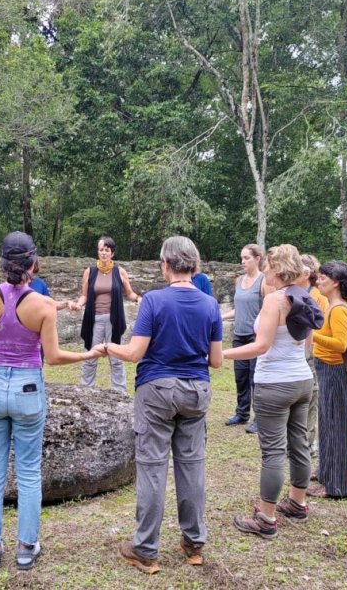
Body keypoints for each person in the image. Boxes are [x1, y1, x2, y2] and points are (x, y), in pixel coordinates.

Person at [0, 232, 104, 572]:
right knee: (28, 471)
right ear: (32, 262)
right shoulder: (42, 305)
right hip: (27, 387)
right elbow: (52, 357)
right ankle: (26, 546)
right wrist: (88, 353)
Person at [106, 236, 222, 575]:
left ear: (165, 265)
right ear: (195, 266)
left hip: (156, 390)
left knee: (153, 469)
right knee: (192, 468)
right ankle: (194, 544)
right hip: (196, 391)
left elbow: (134, 353)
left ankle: (145, 550)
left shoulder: (154, 301)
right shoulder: (210, 304)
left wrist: (107, 346)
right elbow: (215, 361)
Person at [223, 244, 323, 540]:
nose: (264, 268)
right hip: (302, 381)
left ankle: (266, 518)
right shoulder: (305, 296)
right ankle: (297, 502)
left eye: (267, 264)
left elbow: (260, 346)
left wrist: (219, 355)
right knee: (299, 443)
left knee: (273, 452)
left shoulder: (275, 301)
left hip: (274, 384)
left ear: (277, 269)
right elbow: (307, 341)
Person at [308, 261, 347, 500]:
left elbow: (340, 344)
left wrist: (312, 335)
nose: (319, 281)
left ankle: (338, 486)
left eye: (323, 278)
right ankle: (326, 472)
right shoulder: (331, 306)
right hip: (326, 369)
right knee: (327, 424)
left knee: (337, 428)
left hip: (336, 371)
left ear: (336, 282)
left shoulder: (339, 310)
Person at [72, 236, 141, 394]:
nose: (104, 253)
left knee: (116, 358)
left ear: (112, 253)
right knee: (90, 357)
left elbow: (130, 293)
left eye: (107, 250)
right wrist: (78, 304)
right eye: (101, 250)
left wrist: (138, 299)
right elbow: (84, 296)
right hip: (94, 320)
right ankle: (86, 390)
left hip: (113, 320)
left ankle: (119, 393)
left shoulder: (119, 271)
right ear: (98, 252)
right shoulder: (89, 272)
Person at [222, 244, 268, 433]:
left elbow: (269, 310)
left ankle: (260, 417)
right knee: (240, 377)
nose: (242, 262)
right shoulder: (239, 280)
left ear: (257, 259)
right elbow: (239, 309)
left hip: (255, 336)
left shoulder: (264, 281)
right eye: (241, 258)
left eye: (246, 258)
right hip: (239, 335)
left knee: (255, 378)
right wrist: (221, 316)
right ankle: (242, 413)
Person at [299, 254, 329, 463]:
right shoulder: (295, 293)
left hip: (313, 355)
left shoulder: (318, 296)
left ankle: (309, 443)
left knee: (311, 399)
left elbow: (323, 326)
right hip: (298, 354)